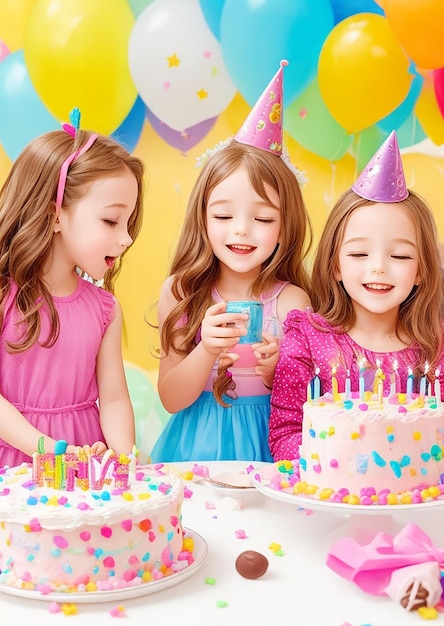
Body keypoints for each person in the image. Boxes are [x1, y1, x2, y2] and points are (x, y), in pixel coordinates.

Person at [269, 131, 444, 466]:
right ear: (335, 264)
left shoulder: (441, 347)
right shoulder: (306, 337)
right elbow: (285, 435)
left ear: (422, 270)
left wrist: (400, 462)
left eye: (400, 257)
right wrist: (353, 463)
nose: (378, 268)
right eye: (360, 253)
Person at [151, 62, 312, 463]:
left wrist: (278, 373)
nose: (241, 231)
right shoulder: (182, 292)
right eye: (224, 216)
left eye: (262, 219)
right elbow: (171, 398)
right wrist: (205, 349)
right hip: (195, 446)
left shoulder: (293, 302)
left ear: (285, 226)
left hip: (268, 447)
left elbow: (307, 405)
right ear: (203, 218)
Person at [0, 113, 144, 468]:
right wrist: (48, 448)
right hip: (14, 462)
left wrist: (126, 458)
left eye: (128, 223)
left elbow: (112, 400)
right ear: (54, 216)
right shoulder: (4, 296)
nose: (126, 239)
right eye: (111, 220)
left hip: (82, 466)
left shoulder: (105, 309)